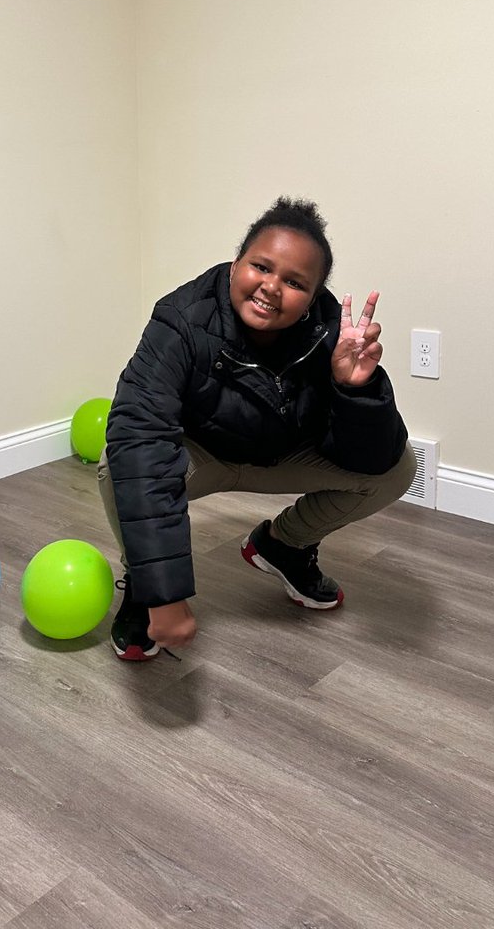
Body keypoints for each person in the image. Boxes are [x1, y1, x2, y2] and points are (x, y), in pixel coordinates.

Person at [98, 196, 416, 660]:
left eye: (294, 282)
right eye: (261, 267)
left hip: (281, 455)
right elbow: (139, 436)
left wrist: (356, 389)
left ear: (312, 299)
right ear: (235, 264)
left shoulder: (330, 334)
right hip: (201, 454)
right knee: (118, 466)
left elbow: (371, 458)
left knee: (398, 468)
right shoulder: (181, 318)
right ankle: (141, 584)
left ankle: (284, 546)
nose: (271, 287)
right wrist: (162, 590)